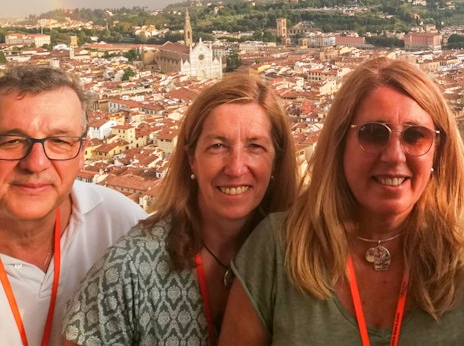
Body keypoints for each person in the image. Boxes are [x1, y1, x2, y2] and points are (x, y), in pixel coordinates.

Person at [219, 56, 464, 345]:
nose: (395, 156)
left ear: (438, 149)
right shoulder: (277, 248)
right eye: (373, 134)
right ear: (339, 145)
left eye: (415, 136)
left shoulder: (458, 257)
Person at [63, 72, 299, 345]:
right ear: (191, 159)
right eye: (217, 146)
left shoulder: (301, 259)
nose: (235, 167)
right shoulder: (129, 269)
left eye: (255, 146)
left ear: (276, 163)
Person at [0, 64, 147, 346]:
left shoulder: (121, 224)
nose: (36, 163)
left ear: (82, 153)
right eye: (13, 141)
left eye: (59, 141)